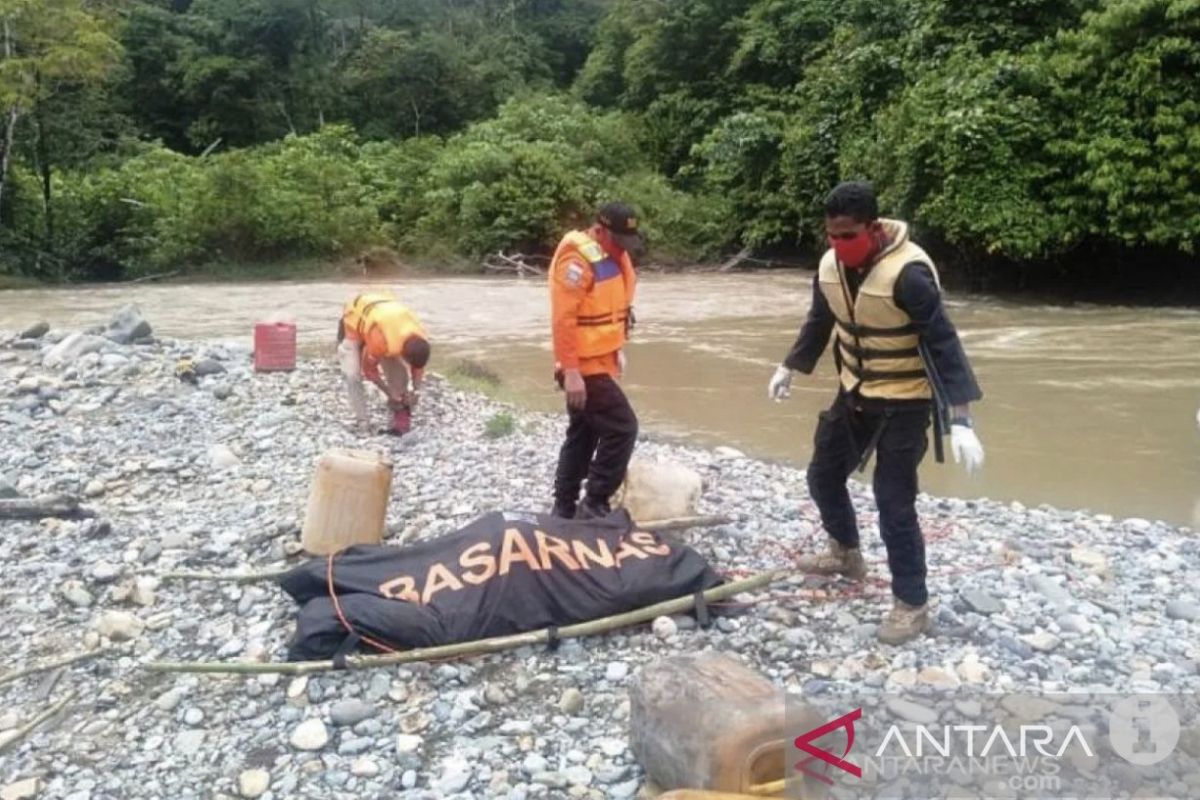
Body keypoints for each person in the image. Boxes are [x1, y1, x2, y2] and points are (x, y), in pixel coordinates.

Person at [768, 181, 984, 645]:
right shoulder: (829, 267)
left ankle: (912, 604)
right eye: (832, 235)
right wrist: (789, 366)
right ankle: (846, 551)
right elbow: (820, 321)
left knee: (893, 501)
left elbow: (944, 343)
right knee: (822, 475)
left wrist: (962, 420)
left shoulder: (908, 274)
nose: (839, 245)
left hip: (906, 400)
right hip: (856, 393)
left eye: (848, 235)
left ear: (873, 227)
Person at [549, 201, 642, 520]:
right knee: (623, 427)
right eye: (617, 242)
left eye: (627, 243)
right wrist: (571, 373)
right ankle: (595, 502)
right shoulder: (576, 261)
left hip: (600, 360)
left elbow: (611, 313)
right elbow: (563, 321)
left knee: (584, 432)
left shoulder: (614, 255)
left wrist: (618, 349)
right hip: (581, 366)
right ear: (599, 231)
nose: (622, 249)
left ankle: (563, 507)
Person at [338, 290, 431, 435]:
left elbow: (418, 367)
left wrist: (416, 391)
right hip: (355, 319)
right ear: (404, 355)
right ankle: (363, 423)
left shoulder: (420, 338)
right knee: (353, 375)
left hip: (384, 314)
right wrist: (388, 391)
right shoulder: (381, 342)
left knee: (400, 376)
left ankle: (399, 416)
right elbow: (369, 371)